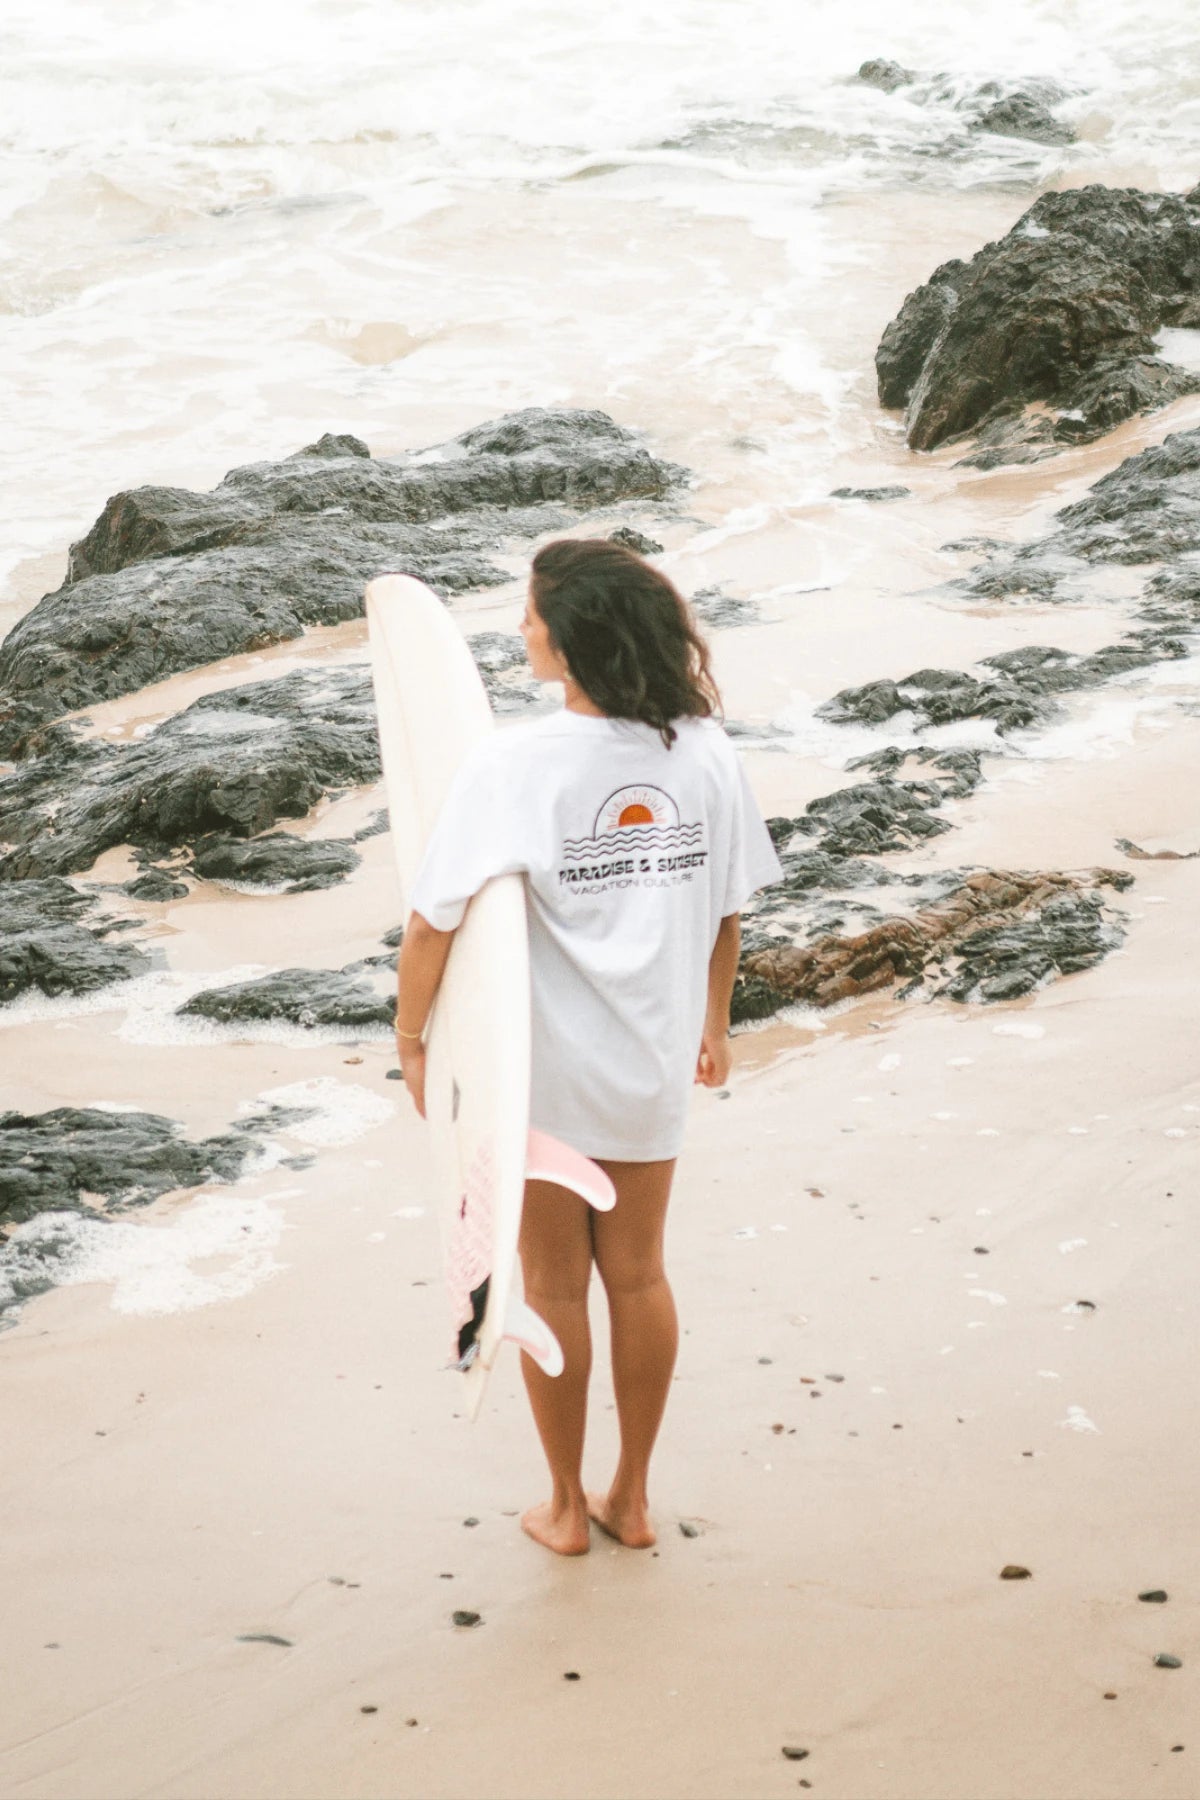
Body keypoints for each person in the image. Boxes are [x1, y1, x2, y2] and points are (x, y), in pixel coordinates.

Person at [394, 537, 782, 1555]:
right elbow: (728, 909)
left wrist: (412, 1037)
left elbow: (435, 921)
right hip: (654, 1065)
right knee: (642, 1278)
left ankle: (566, 1508)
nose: (521, 629)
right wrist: (714, 1024)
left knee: (555, 1288)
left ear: (572, 640)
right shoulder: (704, 752)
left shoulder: (516, 764)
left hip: (545, 1077)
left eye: (531, 615)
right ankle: (633, 1498)